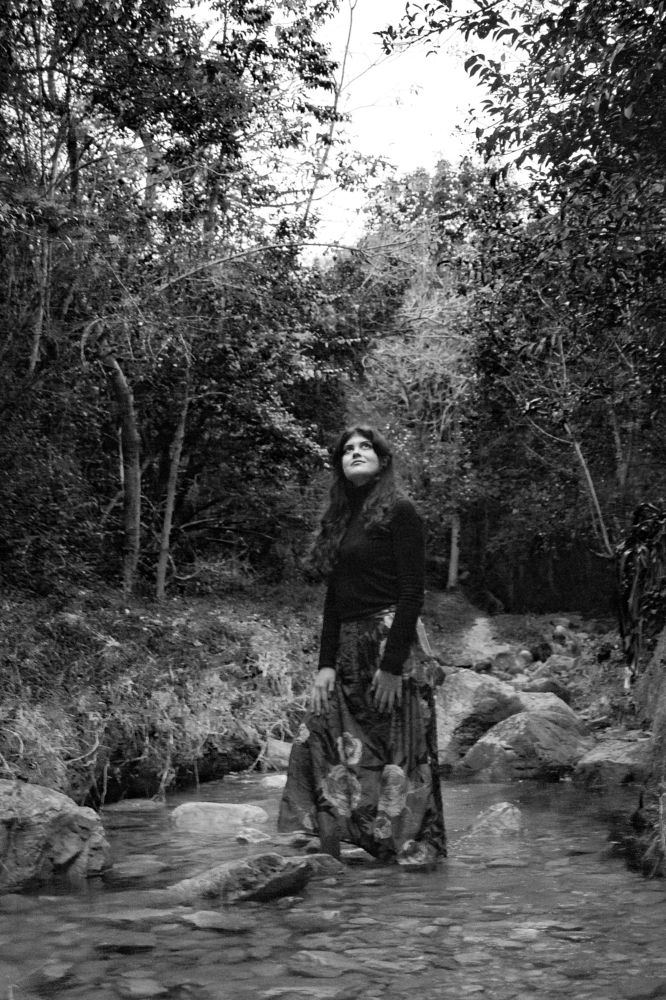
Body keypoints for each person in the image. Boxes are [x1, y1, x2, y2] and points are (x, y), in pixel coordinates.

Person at [277, 424, 446, 867]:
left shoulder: (400, 511)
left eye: (365, 446)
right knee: (316, 736)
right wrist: (325, 665)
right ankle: (329, 856)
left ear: (382, 460)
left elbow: (412, 594)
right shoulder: (340, 521)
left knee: (399, 755)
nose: (355, 452)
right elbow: (334, 600)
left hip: (392, 644)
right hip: (349, 648)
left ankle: (409, 864)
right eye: (347, 449)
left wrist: (391, 666)